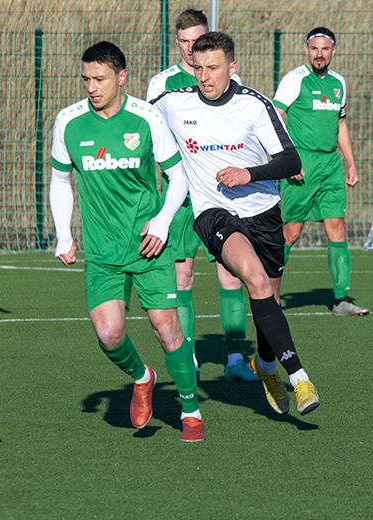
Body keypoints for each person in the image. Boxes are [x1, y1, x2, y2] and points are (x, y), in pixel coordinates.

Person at [152, 32, 319, 416]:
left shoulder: (253, 105)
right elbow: (137, 118)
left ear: (232, 67)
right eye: (198, 68)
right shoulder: (174, 103)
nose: (204, 76)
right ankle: (300, 377)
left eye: (212, 68)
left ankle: (265, 364)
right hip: (213, 213)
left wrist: (248, 173)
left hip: (263, 210)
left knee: (269, 299)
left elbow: (290, 161)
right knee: (256, 281)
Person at [49, 41, 204, 441]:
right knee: (109, 333)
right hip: (102, 251)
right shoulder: (68, 122)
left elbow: (178, 177)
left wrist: (163, 222)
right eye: (86, 79)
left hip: (148, 244)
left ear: (121, 78)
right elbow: (60, 180)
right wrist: (65, 234)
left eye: (99, 79)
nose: (91, 87)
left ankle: (190, 411)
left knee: (167, 330)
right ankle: (143, 376)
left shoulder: (146, 118)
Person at [146, 9, 257, 383]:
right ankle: (189, 356)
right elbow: (152, 141)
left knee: (231, 275)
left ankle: (237, 358)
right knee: (184, 275)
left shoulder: (230, 79)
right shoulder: (161, 85)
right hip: (180, 198)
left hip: (222, 195)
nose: (193, 48)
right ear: (176, 42)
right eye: (185, 41)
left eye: (199, 39)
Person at [273, 27, 369, 316]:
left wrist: (351, 163)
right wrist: (286, 160)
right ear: (307, 50)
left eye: (325, 49)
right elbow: (276, 118)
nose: (319, 54)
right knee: (291, 231)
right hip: (300, 162)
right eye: (314, 48)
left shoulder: (338, 83)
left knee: (337, 227)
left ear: (333, 51)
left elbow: (340, 126)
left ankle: (341, 300)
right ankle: (267, 293)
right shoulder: (294, 80)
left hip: (330, 165)